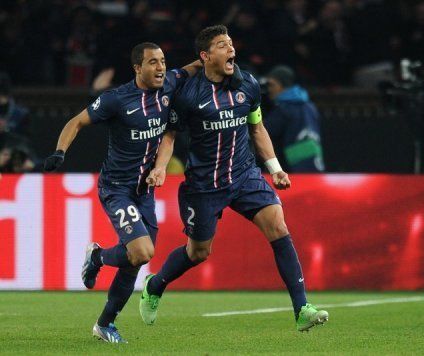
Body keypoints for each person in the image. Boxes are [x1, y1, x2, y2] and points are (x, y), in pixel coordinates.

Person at [139, 25, 328, 333]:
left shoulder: (248, 86)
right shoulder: (187, 95)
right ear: (205, 55)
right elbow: (170, 136)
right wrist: (160, 167)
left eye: (231, 45)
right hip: (204, 185)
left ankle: (302, 309)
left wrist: (275, 167)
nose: (232, 51)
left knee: (278, 226)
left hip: (244, 175)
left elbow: (257, 128)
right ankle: (155, 285)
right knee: (198, 252)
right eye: (223, 46)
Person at [44, 42, 203, 343]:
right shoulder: (116, 99)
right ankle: (99, 257)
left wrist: (159, 167)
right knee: (142, 251)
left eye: (163, 61)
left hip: (144, 191)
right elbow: (76, 122)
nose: (160, 68)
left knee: (136, 260)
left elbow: (196, 67)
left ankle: (105, 324)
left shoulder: (171, 82)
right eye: (152, 63)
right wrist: (59, 152)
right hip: (116, 189)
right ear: (137, 68)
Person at [264, 65, 325, 172]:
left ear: (281, 85)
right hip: (315, 169)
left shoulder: (283, 110)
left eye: (272, 85)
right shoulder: (310, 106)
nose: (269, 89)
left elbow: (263, 134)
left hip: (293, 173)